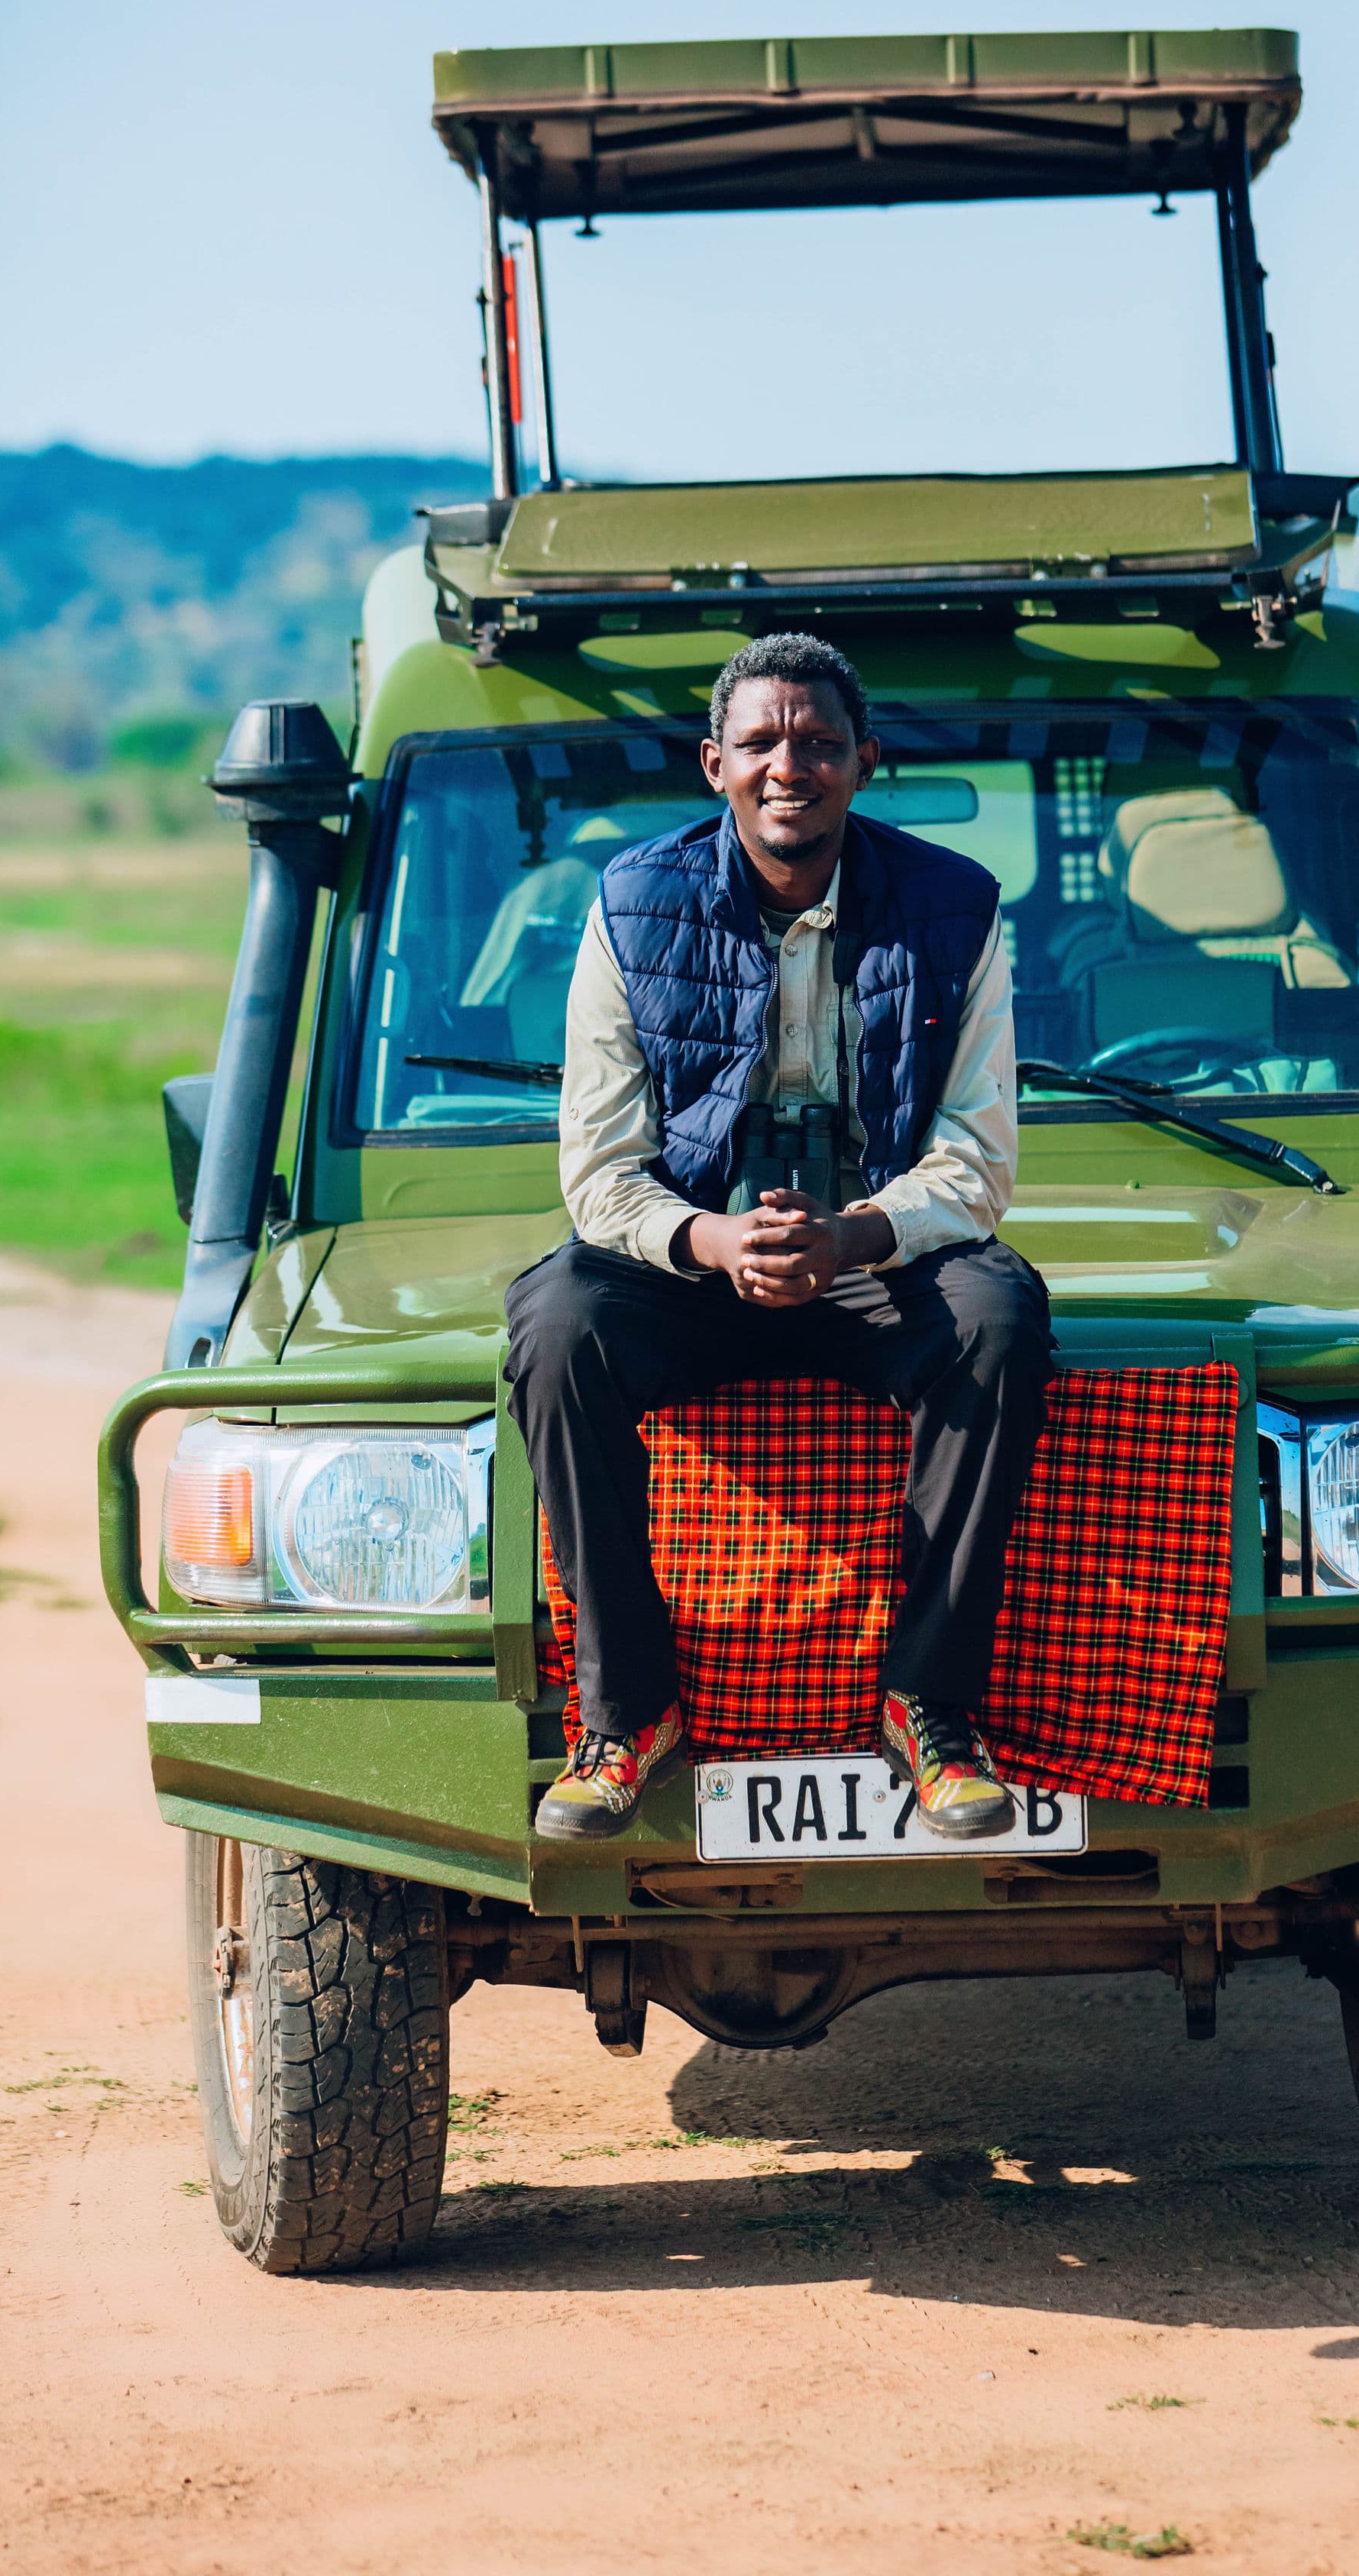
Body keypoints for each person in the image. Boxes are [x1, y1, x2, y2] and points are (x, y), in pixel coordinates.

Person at [505, 631, 1053, 1844]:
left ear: (866, 762)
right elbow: (600, 1174)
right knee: (557, 1320)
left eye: (815, 742)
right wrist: (714, 1245)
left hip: (873, 1259)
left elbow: (975, 1157)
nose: (785, 764)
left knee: (999, 1312)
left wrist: (853, 1238)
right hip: (699, 1261)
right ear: (715, 764)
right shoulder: (629, 907)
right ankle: (627, 1714)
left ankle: (930, 1707)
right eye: (759, 741)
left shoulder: (957, 909)